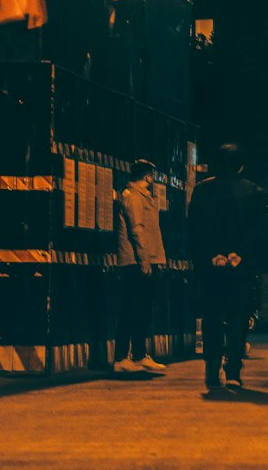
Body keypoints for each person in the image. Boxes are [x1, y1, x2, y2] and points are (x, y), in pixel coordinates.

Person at [188, 142, 268, 391]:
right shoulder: (253, 191)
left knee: (212, 315)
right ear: (241, 166)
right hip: (241, 267)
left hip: (211, 268)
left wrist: (212, 254)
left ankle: (211, 368)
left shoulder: (201, 190)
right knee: (238, 317)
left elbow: (195, 228)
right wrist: (239, 253)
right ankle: (233, 372)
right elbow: (260, 228)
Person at [113, 158, 168, 376]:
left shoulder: (143, 196)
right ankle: (120, 358)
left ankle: (139, 355)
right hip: (135, 262)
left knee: (143, 309)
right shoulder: (132, 197)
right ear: (147, 176)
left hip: (146, 260)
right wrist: (145, 260)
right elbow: (136, 230)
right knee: (130, 309)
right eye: (152, 175)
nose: (153, 179)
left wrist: (156, 259)